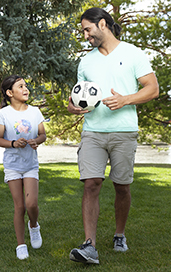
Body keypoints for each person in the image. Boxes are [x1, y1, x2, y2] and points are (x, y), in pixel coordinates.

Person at [67, 7, 159, 264]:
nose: (86, 36)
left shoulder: (132, 53)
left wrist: (125, 99)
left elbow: (152, 88)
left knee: (122, 186)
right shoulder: (86, 61)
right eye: (83, 31)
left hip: (124, 131)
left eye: (88, 29)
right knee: (91, 183)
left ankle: (119, 233)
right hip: (93, 131)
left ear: (103, 24)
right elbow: (76, 97)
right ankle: (89, 245)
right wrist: (73, 106)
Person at [0, 75, 46, 260]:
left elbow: (43, 134)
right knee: (19, 207)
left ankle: (34, 226)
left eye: (26, 86)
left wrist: (35, 141)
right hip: (12, 166)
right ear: (10, 93)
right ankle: (21, 244)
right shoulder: (4, 114)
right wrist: (14, 143)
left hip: (30, 164)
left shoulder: (34, 112)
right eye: (21, 86)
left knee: (31, 204)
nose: (26, 89)